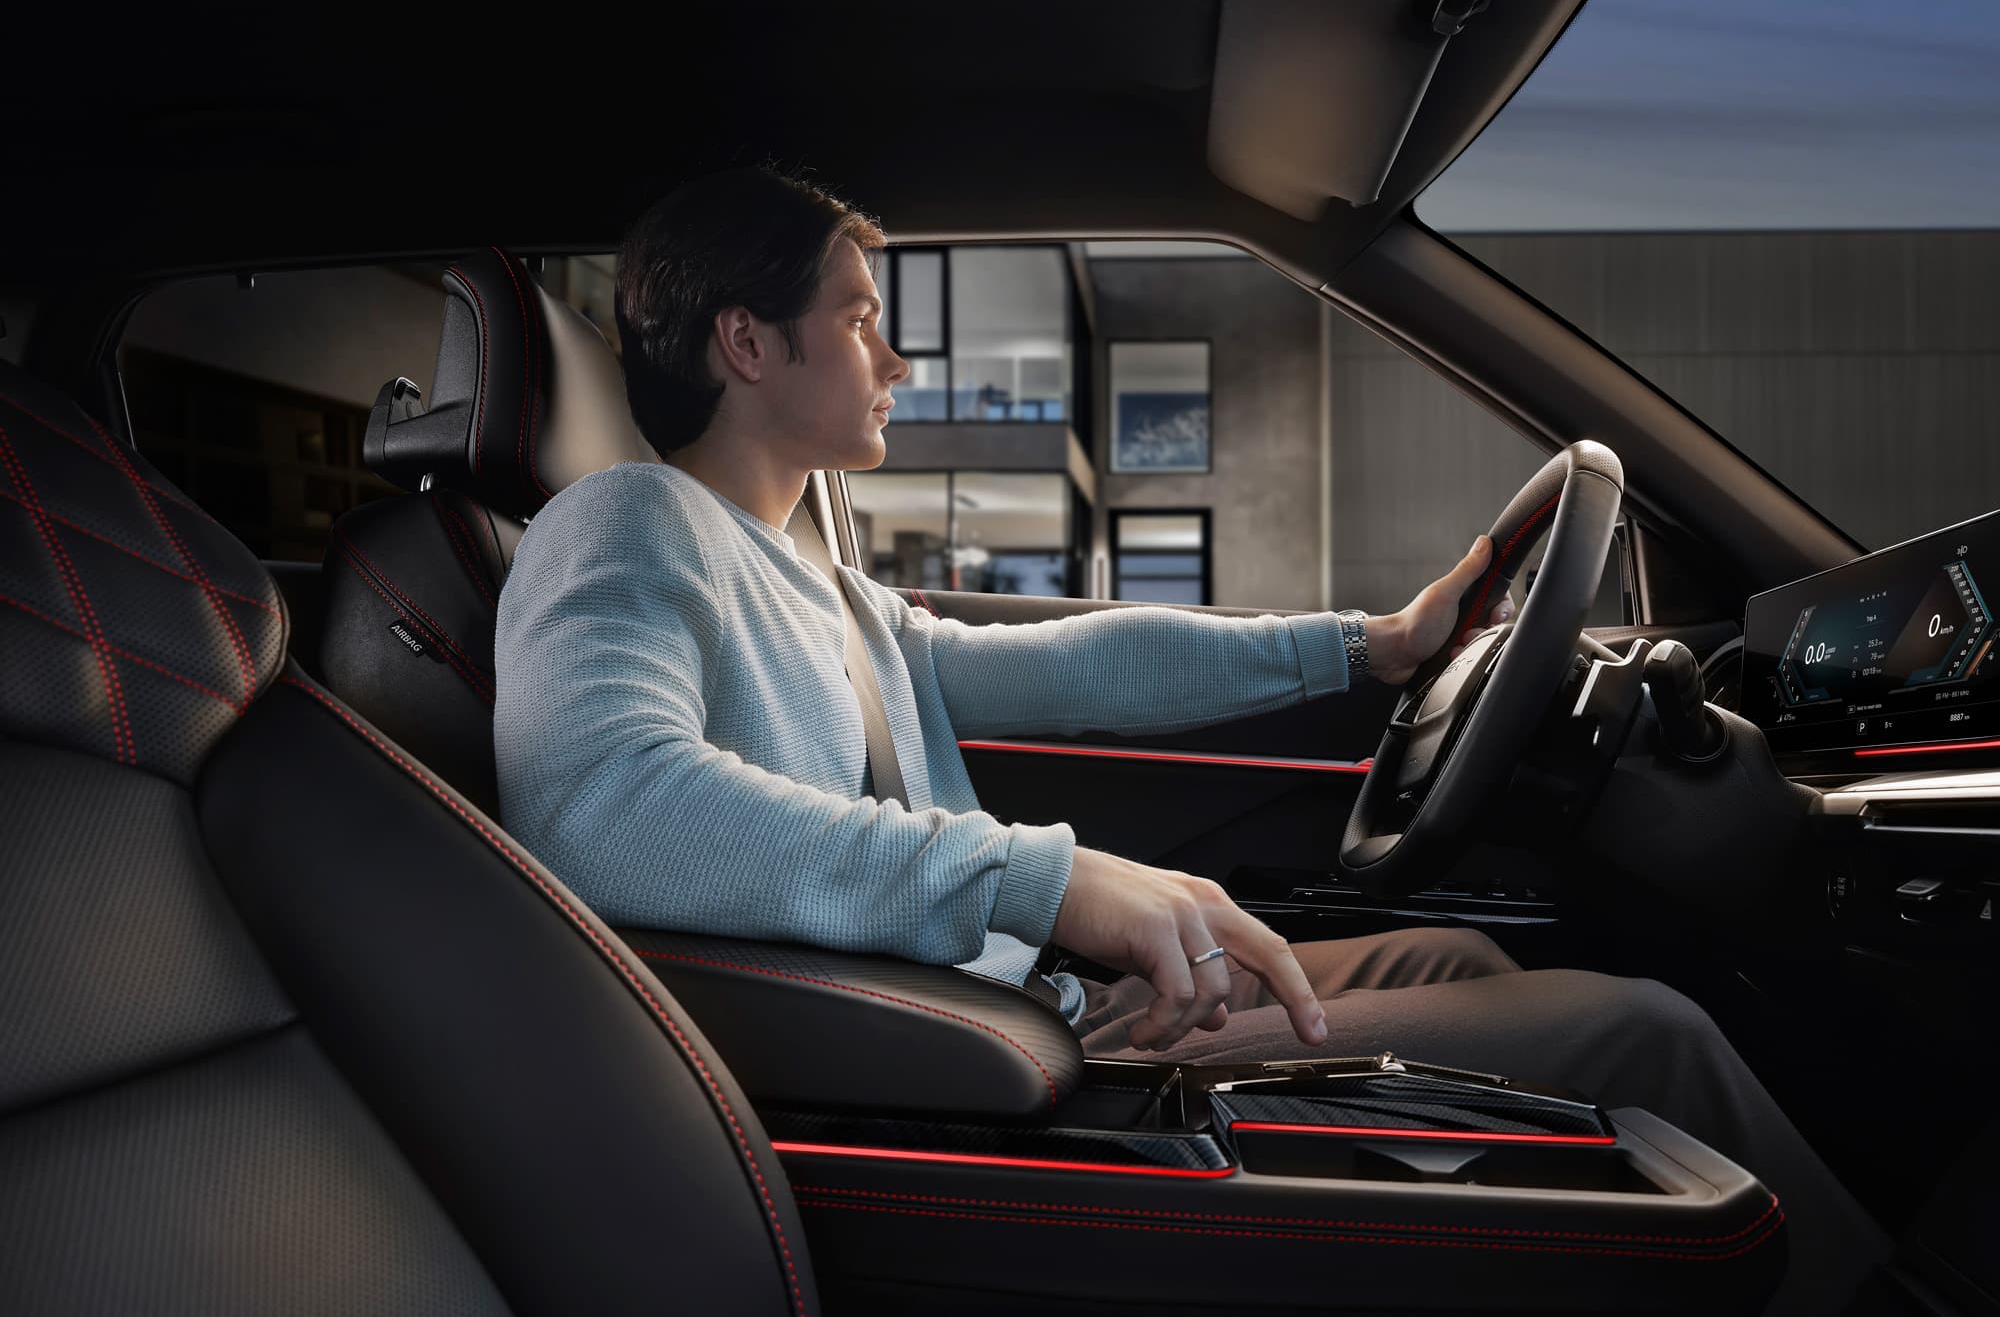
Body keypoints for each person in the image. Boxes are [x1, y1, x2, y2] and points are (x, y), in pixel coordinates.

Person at [494, 167, 1886, 1316]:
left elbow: (1075, 661)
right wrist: (1048, 878)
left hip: (1030, 1010)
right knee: (1645, 1031)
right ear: (747, 342)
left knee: (1461, 958)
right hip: (971, 1072)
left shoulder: (821, 579)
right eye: (858, 318)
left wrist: (1370, 646)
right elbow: (605, 808)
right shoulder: (623, 524)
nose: (896, 356)